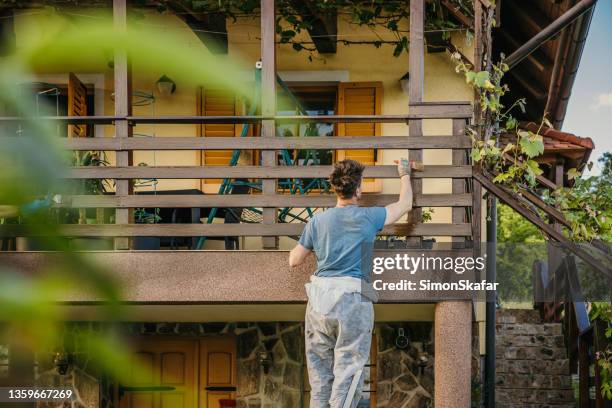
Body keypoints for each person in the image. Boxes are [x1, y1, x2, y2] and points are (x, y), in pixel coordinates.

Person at [289, 158, 414, 408]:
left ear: (335, 189)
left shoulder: (317, 221)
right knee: (348, 372)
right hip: (353, 297)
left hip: (319, 301)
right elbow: (405, 204)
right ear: (357, 190)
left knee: (320, 376)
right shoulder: (369, 217)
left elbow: (294, 260)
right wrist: (404, 173)